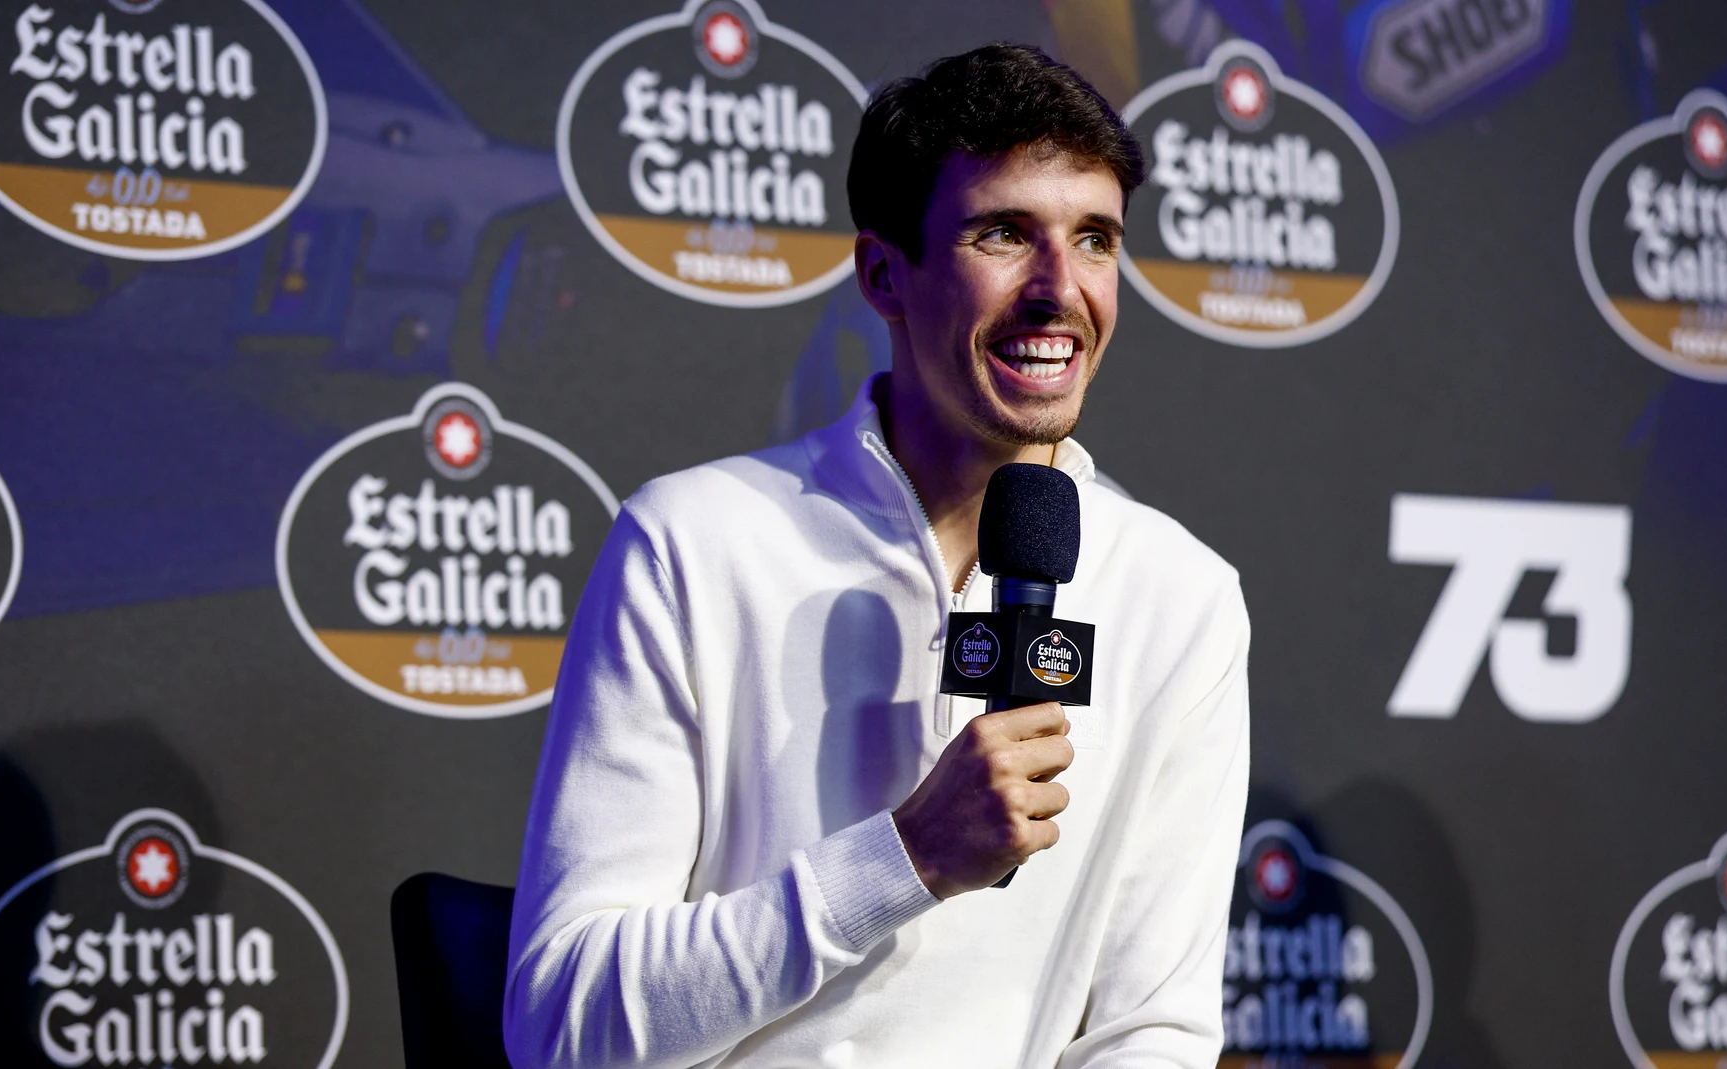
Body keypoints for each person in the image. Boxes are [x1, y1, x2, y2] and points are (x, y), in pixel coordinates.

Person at [505, 44, 1251, 1068]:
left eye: (1093, 239)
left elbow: (1151, 1034)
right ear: (882, 274)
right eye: (1003, 233)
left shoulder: (1181, 597)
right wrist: (903, 856)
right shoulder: (691, 542)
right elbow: (562, 1026)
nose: (1059, 289)